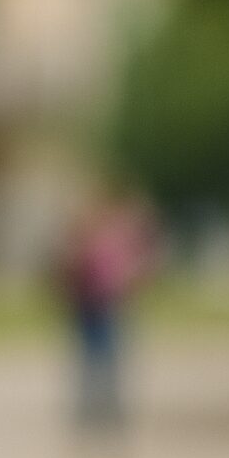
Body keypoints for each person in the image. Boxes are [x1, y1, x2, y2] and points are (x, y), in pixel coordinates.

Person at [55, 182, 158, 429]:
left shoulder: (107, 238)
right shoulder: (95, 239)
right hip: (91, 305)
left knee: (103, 359)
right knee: (96, 359)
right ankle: (96, 411)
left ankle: (104, 411)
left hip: (104, 304)